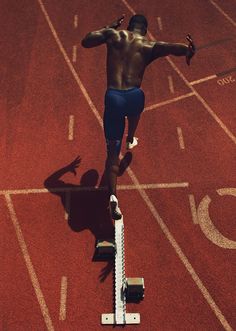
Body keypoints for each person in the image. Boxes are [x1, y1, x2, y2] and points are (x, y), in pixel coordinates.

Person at [81, 14, 195, 220]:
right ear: (144, 30)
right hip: (134, 95)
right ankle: (131, 137)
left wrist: (109, 26)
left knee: (112, 154)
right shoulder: (149, 46)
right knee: (136, 107)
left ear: (129, 26)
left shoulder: (113, 35)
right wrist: (189, 50)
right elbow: (172, 48)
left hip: (114, 97)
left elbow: (86, 41)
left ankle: (113, 196)